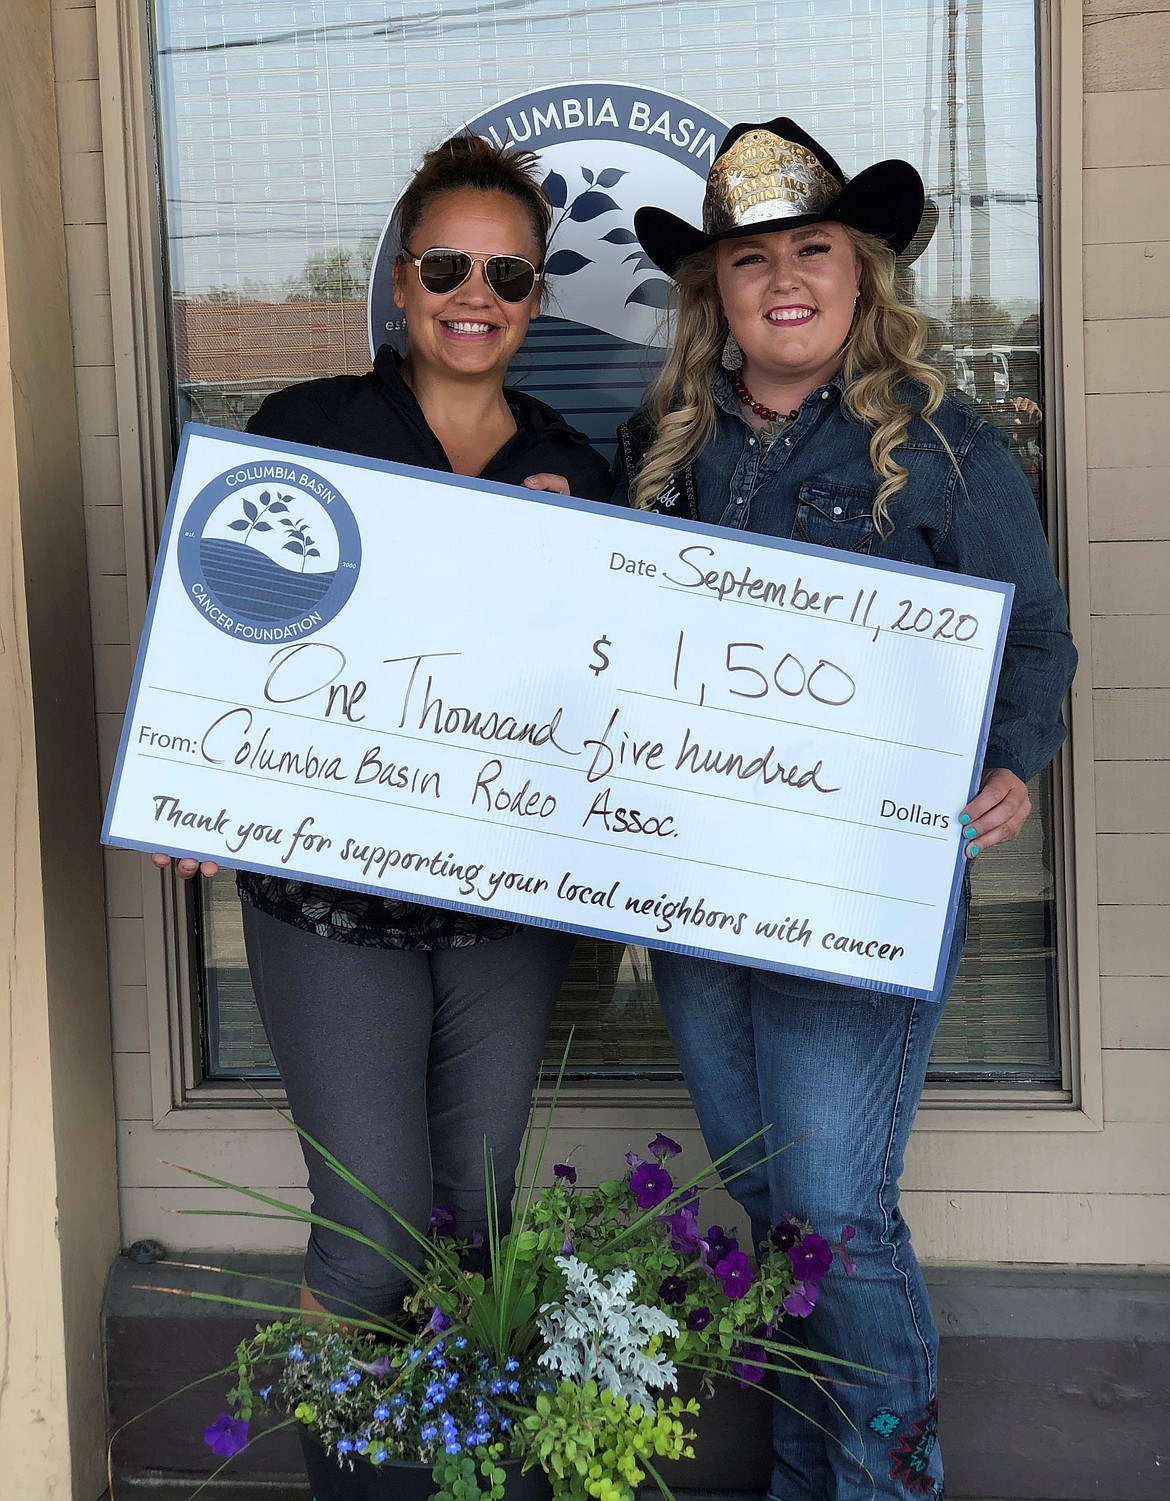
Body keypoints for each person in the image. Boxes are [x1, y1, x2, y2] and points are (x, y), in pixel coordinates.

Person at [616, 118, 1077, 1501]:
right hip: (696, 885)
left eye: (811, 249)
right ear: (715, 296)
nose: (784, 281)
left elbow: (1035, 633)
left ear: (861, 273)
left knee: (832, 1210)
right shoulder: (661, 445)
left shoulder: (936, 441)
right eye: (749, 262)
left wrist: (1015, 752)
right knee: (770, 1211)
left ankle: (886, 1488)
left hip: (853, 889)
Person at [154, 132, 610, 1323]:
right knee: (370, 1227)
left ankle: (450, 1459)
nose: (476, 297)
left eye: (507, 276)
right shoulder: (304, 427)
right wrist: (189, 779)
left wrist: (580, 562)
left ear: (537, 297)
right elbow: (219, 629)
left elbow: (612, 699)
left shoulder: (573, 466)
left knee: (474, 1215)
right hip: (327, 892)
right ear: (401, 281)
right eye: (448, 268)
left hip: (501, 896)